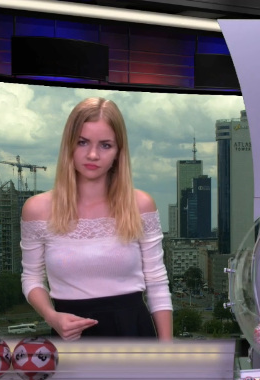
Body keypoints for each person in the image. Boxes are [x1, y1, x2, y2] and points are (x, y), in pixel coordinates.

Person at [20, 97, 173, 341]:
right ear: (68, 145)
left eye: (105, 145)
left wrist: (169, 352)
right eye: (82, 142)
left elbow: (157, 282)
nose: (92, 154)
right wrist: (51, 316)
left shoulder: (141, 205)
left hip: (134, 335)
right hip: (70, 337)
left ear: (118, 152)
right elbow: (31, 277)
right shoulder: (37, 210)